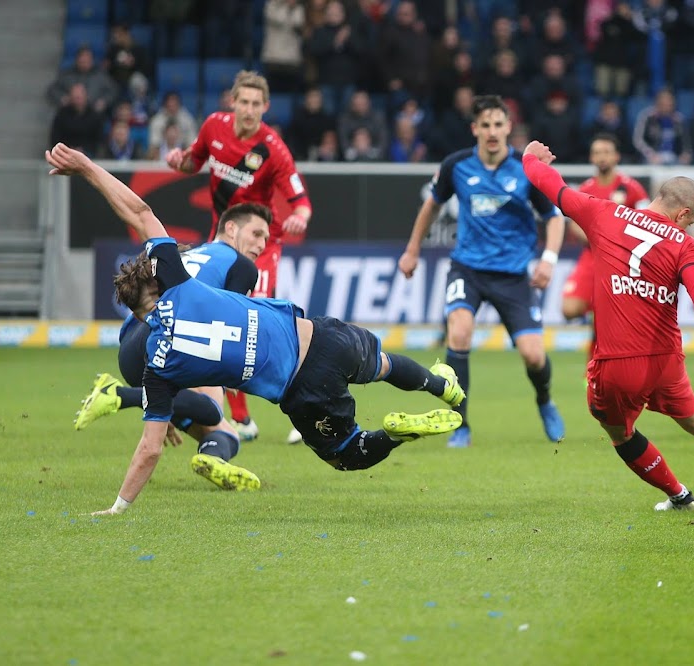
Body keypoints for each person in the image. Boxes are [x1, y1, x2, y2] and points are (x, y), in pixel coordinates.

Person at [46, 143, 466, 516]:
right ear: (159, 278)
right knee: (384, 364)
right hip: (321, 337)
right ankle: (440, 384)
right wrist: (86, 167)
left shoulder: (157, 366)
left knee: (346, 454)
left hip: (302, 390)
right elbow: (140, 211)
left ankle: (393, 433)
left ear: (138, 315)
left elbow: (150, 449)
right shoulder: (179, 279)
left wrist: (118, 506)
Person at [521, 139, 694, 511]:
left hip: (618, 364)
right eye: (691, 223)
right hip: (666, 361)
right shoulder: (684, 245)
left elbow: (554, 188)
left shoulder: (603, 213)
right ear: (683, 214)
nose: (689, 228)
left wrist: (530, 158)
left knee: (619, 433)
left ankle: (680, 496)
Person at [398, 95, 566, 448]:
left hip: (512, 276)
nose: (492, 132)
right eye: (485, 125)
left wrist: (549, 259)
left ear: (508, 128)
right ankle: (460, 424)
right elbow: (431, 206)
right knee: (459, 333)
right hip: (468, 270)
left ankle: (545, 401)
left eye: (498, 124)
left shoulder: (525, 168)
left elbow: (553, 217)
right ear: (475, 129)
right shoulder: (456, 165)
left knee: (533, 355)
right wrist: (412, 250)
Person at [73, 201, 271, 491]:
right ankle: (119, 395)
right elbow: (229, 322)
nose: (262, 244)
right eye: (256, 234)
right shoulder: (241, 266)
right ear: (230, 228)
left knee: (224, 433)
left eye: (266, 238)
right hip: (169, 337)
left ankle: (212, 457)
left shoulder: (188, 253)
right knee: (211, 410)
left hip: (131, 346)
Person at [167, 70, 313, 443]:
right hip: (221, 243)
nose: (249, 110)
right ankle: (241, 418)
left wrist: (299, 216)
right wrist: (179, 159)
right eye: (243, 102)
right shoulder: (213, 127)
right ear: (232, 102)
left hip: (259, 245)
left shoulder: (273, 148)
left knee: (261, 321)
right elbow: (193, 161)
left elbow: (300, 200)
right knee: (214, 321)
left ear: (266, 107)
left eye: (256, 104)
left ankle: (306, 409)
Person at [561, 133, 649, 362]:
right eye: (597, 153)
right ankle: (599, 312)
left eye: (607, 152)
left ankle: (593, 371)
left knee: (605, 320)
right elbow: (574, 224)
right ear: (591, 157)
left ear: (616, 156)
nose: (602, 157)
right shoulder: (585, 188)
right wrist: (599, 240)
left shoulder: (632, 188)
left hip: (620, 261)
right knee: (569, 308)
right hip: (591, 256)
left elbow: (647, 222)